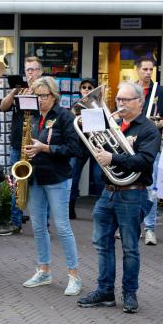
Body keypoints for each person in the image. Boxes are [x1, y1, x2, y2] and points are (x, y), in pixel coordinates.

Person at [77, 82, 161, 313]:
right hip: (108, 193)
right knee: (102, 243)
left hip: (133, 193)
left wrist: (113, 158)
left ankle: (129, 293)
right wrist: (88, 131)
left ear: (139, 102)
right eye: (118, 100)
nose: (120, 104)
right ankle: (105, 291)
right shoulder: (111, 125)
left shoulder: (148, 129)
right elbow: (92, 150)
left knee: (130, 247)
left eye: (126, 100)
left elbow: (145, 161)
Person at [21, 76, 82, 296]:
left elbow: (74, 149)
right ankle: (43, 270)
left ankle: (74, 275)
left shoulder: (65, 116)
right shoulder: (33, 117)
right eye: (36, 96)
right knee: (38, 227)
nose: (39, 100)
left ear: (54, 96)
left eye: (43, 96)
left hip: (57, 177)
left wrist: (45, 148)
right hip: (35, 177)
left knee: (63, 227)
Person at [0, 56, 43, 236]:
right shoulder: (20, 90)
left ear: (40, 71)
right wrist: (14, 91)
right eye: (27, 70)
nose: (30, 73)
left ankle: (42, 224)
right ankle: (15, 222)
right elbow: (2, 107)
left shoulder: (45, 91)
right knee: (17, 184)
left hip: (37, 145)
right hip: (18, 144)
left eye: (33, 70)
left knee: (39, 185)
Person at [135, 56, 163, 246]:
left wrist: (161, 122)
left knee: (151, 188)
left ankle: (150, 228)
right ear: (137, 70)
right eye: (144, 69)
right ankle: (131, 224)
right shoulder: (131, 90)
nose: (147, 73)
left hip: (152, 145)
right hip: (131, 145)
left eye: (150, 69)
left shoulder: (160, 90)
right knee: (131, 187)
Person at [69, 77, 105, 219]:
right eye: (84, 87)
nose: (86, 90)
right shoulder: (75, 106)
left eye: (90, 88)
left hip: (96, 145)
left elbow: (104, 126)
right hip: (79, 145)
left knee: (98, 178)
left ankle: (100, 209)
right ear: (80, 90)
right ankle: (70, 208)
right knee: (73, 176)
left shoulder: (100, 105)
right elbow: (71, 125)